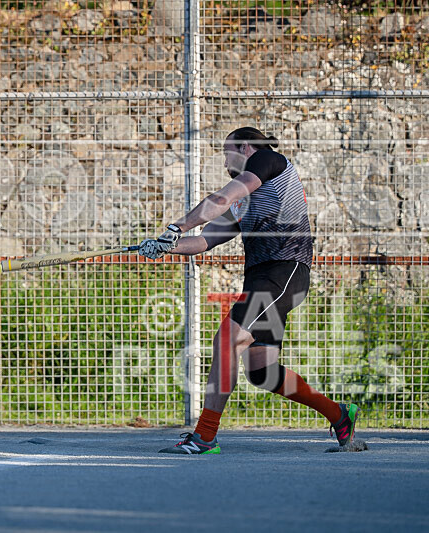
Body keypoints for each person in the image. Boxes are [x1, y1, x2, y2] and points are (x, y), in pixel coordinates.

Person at [139, 127, 359, 454]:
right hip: (262, 280)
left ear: (244, 147)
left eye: (226, 152)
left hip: (284, 271)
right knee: (262, 372)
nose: (223, 161)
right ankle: (339, 414)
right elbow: (205, 240)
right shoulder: (244, 205)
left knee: (227, 339)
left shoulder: (268, 159)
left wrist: (177, 226)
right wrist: (166, 246)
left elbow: (221, 198)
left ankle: (205, 436)